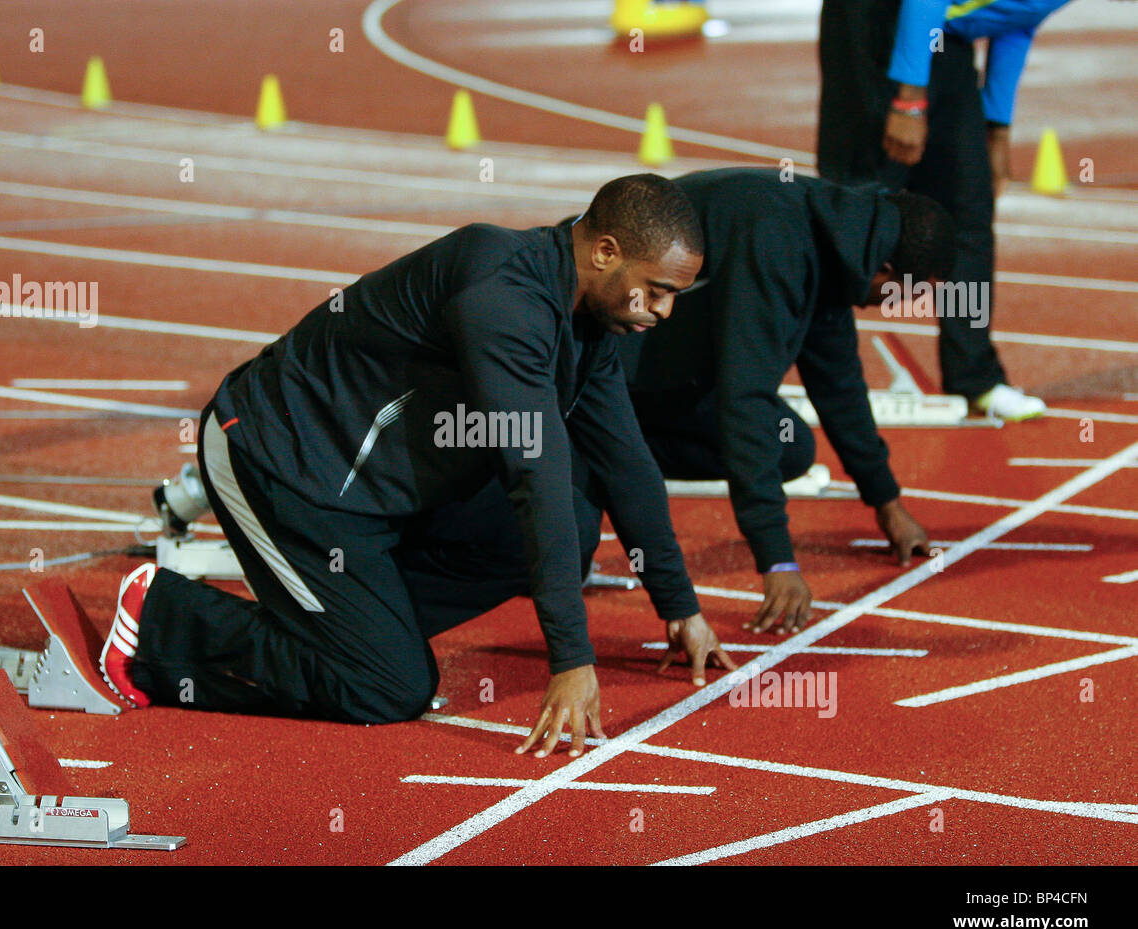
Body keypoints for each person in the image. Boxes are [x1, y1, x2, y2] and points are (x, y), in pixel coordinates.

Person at [99, 174, 736, 758]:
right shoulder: (504, 298)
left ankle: (355, 624)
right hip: (281, 461)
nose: (664, 311)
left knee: (572, 516)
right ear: (605, 253)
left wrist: (679, 606)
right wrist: (570, 660)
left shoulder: (588, 316)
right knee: (386, 687)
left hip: (377, 491)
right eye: (656, 291)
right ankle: (165, 617)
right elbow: (533, 474)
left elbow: (623, 458)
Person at [618, 168, 951, 635]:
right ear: (886, 272)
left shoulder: (839, 241)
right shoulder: (777, 239)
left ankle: (606, 451)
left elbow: (839, 384)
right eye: (909, 293)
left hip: (664, 363)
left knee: (789, 448)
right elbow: (745, 397)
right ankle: (591, 447)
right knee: (537, 560)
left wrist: (885, 500)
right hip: (598, 349)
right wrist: (776, 561)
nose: (898, 305)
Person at [817, 0, 1074, 422]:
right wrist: (909, 101)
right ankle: (774, 367)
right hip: (874, 23)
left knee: (969, 212)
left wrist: (997, 127)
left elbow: (1017, 21)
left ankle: (974, 378)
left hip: (943, 38)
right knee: (857, 209)